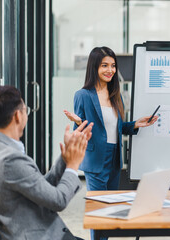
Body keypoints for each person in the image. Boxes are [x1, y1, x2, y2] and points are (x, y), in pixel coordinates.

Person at [64, 47, 157, 239]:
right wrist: (79, 122)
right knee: (99, 211)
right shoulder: (83, 95)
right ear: (94, 67)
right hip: (96, 158)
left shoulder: (115, 94)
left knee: (110, 208)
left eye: (113, 66)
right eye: (104, 65)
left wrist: (135, 124)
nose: (110, 70)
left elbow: (117, 127)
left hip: (114, 158)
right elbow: (79, 133)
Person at [0, 85, 93, 240]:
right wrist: (73, 165)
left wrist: (66, 156)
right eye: (25, 110)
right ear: (17, 116)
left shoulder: (4, 150)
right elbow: (58, 200)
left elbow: (40, 187)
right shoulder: (10, 160)